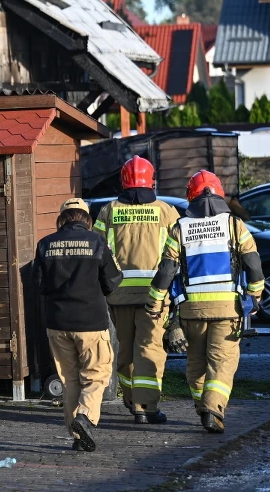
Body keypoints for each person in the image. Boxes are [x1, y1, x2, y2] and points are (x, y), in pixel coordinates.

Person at [147, 170, 265, 434]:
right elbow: (253, 263)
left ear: (191, 196)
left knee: (196, 364)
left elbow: (167, 271)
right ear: (219, 193)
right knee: (222, 362)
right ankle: (213, 409)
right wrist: (255, 295)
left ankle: (204, 407)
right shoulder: (235, 225)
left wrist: (155, 303)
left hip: (191, 311)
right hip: (227, 309)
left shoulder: (180, 227)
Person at [91, 156, 179, 424]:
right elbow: (176, 256)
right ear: (151, 180)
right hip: (156, 297)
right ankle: (146, 407)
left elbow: (96, 251)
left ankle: (131, 401)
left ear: (124, 181)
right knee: (150, 350)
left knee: (125, 350)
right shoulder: (167, 212)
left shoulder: (108, 211)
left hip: (118, 295)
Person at [34, 198, 122, 452]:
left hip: (57, 323)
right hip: (90, 323)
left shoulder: (44, 245)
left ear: (62, 220)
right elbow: (112, 282)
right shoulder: (98, 242)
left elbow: (38, 285)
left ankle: (77, 437)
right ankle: (84, 417)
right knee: (97, 375)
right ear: (87, 220)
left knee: (69, 380)